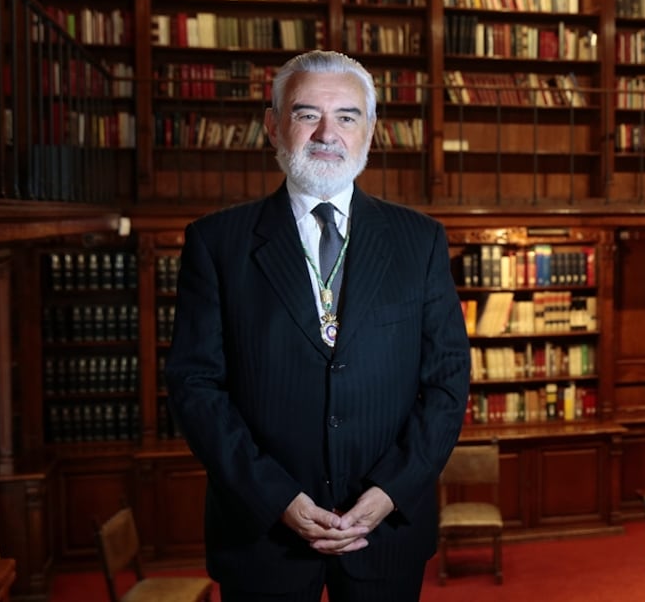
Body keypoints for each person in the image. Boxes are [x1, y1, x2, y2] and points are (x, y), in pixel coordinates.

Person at [165, 50, 472, 602]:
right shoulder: (217, 243)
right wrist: (278, 497)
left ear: (370, 131)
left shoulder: (420, 240)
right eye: (307, 114)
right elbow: (195, 387)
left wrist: (390, 492)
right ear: (272, 125)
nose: (327, 133)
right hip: (263, 534)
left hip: (386, 529)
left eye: (347, 117)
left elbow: (447, 383)